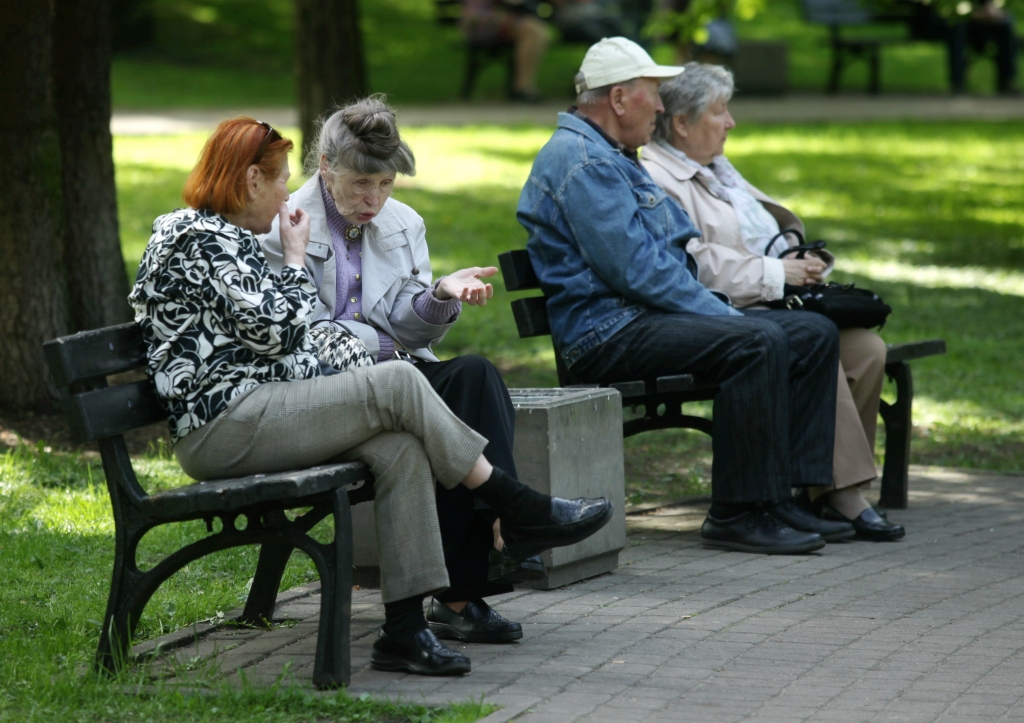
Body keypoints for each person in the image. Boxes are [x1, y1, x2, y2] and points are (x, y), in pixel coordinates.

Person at [128, 117, 612, 676]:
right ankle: (518, 504)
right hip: (226, 425)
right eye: (282, 178)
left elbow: (287, 342)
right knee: (400, 381)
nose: (290, 190)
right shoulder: (196, 236)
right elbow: (282, 334)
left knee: (401, 448)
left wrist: (422, 306)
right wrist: (292, 258)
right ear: (251, 179)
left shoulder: (225, 236)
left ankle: (405, 632)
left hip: (265, 407)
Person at [517, 37, 855, 554]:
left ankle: (785, 498)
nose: (659, 105)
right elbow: (640, 273)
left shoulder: (612, 155)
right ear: (619, 97)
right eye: (653, 94)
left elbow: (675, 250)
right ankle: (738, 514)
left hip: (641, 319)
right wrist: (723, 313)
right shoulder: (582, 162)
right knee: (756, 340)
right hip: (607, 333)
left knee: (811, 333)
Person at [261, 97, 542, 646]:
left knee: (474, 376)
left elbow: (414, 331)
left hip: (398, 377)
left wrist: (439, 296)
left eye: (386, 184)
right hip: (329, 393)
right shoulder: (283, 226)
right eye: (361, 184)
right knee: (441, 415)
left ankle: (476, 571)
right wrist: (383, 336)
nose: (374, 200)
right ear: (325, 166)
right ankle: (500, 543)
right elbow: (307, 337)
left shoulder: (403, 221)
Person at [641, 63, 905, 540]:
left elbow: (760, 232)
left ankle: (818, 488)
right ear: (681, 123)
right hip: (728, 311)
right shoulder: (660, 176)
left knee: (867, 350)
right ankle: (841, 495)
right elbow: (693, 265)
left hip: (772, 299)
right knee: (816, 343)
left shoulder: (716, 167)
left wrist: (801, 260)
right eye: (720, 111)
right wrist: (777, 273)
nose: (731, 122)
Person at [462, 0, 550, 101]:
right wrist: (499, 18)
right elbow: (472, 16)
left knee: (535, 30)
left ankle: (524, 86)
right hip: (484, 29)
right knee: (532, 30)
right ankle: (522, 87)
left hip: (511, 26)